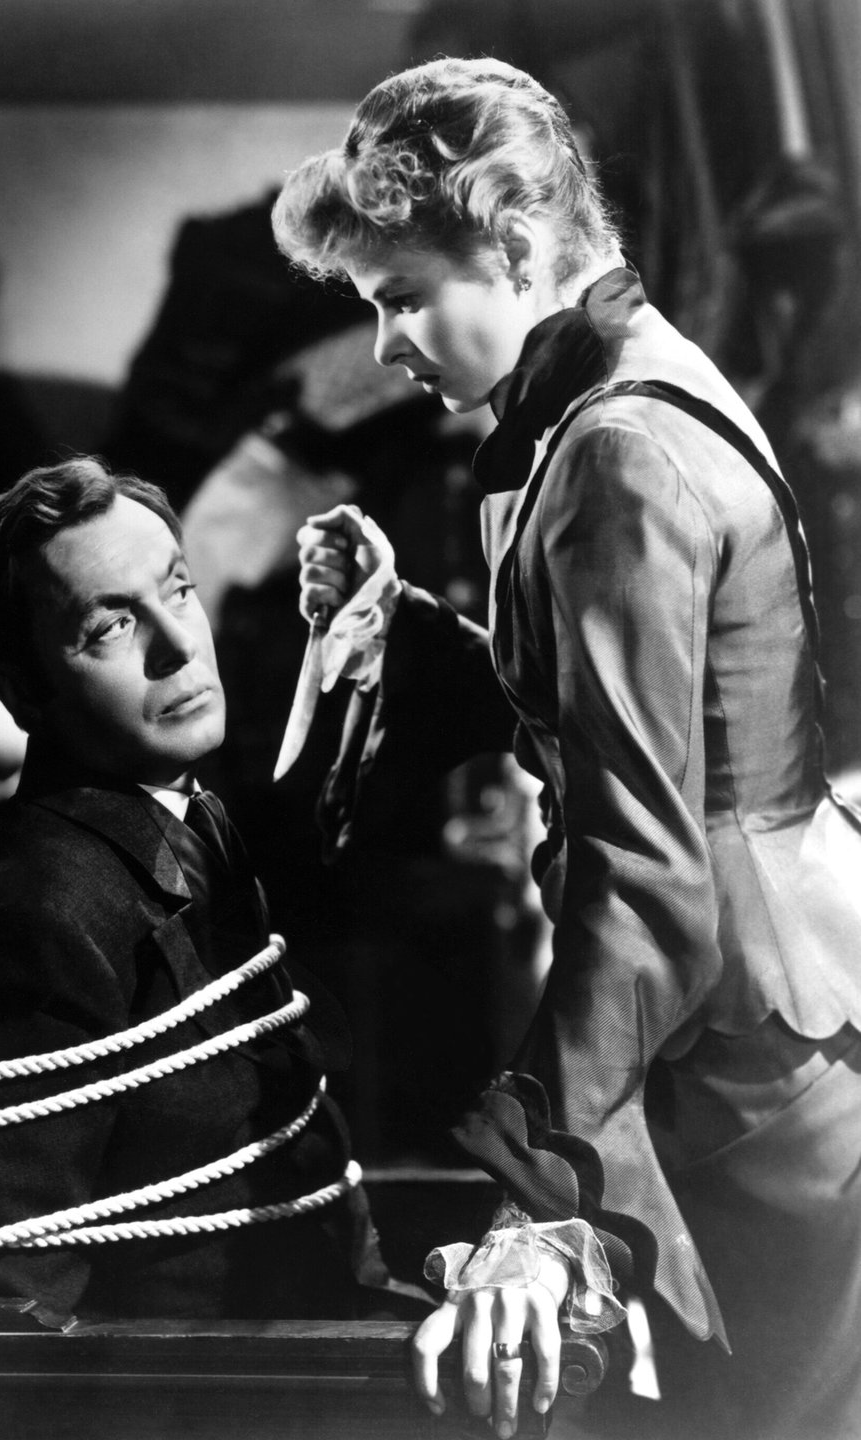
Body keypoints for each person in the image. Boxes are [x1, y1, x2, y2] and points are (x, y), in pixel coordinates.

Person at [271, 56, 861, 1440]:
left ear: (516, 242)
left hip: (751, 1053)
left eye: (401, 296)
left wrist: (541, 1194)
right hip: (761, 1012)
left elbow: (644, 867)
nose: (386, 347)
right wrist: (411, 633)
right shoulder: (617, 396)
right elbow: (628, 714)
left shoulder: (614, 451)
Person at [0, 456, 408, 1326]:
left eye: (180, 590)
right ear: (22, 692)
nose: (180, 645)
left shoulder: (183, 822)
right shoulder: (41, 904)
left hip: (300, 1328)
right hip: (218, 1379)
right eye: (112, 627)